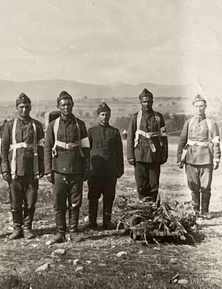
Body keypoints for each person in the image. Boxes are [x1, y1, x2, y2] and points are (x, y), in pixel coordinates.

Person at [44, 90, 90, 243]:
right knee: (59, 202)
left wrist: (86, 168)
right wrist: (48, 170)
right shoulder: (52, 126)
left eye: (69, 104)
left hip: (76, 168)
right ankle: (60, 232)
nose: (66, 108)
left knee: (75, 202)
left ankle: (73, 231)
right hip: (58, 169)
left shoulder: (80, 125)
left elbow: (86, 148)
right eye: (63, 105)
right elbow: (47, 148)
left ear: (73, 105)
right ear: (58, 106)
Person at [0, 92, 44, 239]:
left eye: (26, 107)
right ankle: (17, 228)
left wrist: (42, 168)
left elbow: (42, 148)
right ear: (16, 108)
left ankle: (27, 227)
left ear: (30, 107)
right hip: (15, 169)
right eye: (21, 107)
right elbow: (4, 149)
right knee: (15, 201)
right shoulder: (9, 125)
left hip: (32, 168)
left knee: (30, 201)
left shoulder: (36, 125)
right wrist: (5, 169)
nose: (24, 110)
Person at [176, 95, 221, 217]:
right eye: (197, 106)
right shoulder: (188, 123)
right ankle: (195, 211)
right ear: (193, 107)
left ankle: (205, 211)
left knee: (206, 187)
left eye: (201, 106)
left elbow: (216, 141)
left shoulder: (211, 123)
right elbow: (182, 141)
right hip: (191, 159)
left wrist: (217, 158)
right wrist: (179, 158)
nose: (199, 109)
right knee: (193, 186)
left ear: (205, 107)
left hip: (206, 158)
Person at [126, 88, 169, 202]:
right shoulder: (135, 117)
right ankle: (142, 207)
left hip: (155, 156)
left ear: (152, 102)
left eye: (149, 101)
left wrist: (164, 154)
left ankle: (153, 208)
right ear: (140, 102)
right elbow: (130, 137)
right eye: (144, 101)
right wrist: (130, 156)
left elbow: (164, 136)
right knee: (141, 185)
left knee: (154, 184)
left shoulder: (159, 117)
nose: (147, 104)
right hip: (139, 155)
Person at [87, 102, 124, 230]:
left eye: (107, 114)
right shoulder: (91, 131)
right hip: (95, 171)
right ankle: (92, 222)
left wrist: (120, 169)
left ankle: (106, 222)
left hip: (110, 172)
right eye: (102, 114)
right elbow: (86, 152)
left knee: (109, 197)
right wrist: (86, 170)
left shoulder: (114, 132)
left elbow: (119, 152)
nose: (105, 117)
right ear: (98, 116)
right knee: (93, 197)